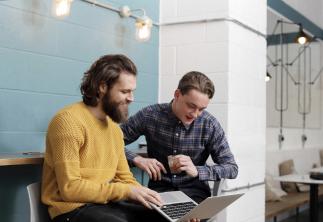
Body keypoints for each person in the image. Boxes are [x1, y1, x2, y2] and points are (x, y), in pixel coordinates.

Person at [41, 54, 170, 222]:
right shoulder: (68, 121)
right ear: (102, 87)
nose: (131, 98)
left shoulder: (114, 130)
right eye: (125, 91)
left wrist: (150, 198)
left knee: (163, 217)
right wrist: (127, 191)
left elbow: (124, 178)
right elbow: (70, 189)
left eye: (132, 91)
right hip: (70, 209)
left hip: (103, 204)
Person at [121, 71, 238, 204]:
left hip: (195, 195)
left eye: (201, 109)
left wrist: (198, 170)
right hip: (159, 193)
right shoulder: (150, 115)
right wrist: (137, 159)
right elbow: (110, 142)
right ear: (177, 95)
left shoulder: (209, 124)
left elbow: (232, 168)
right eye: (191, 106)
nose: (195, 114)